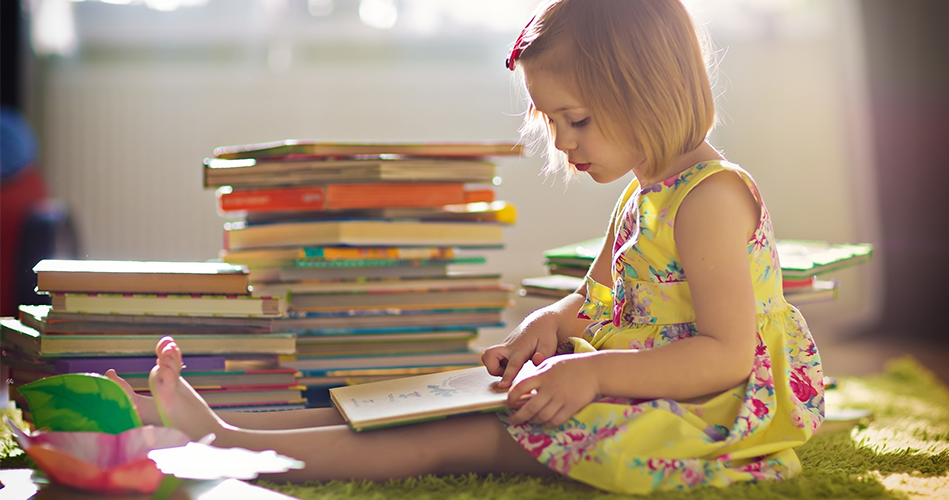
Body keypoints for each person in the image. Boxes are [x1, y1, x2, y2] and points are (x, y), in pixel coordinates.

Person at [107, 0, 824, 493]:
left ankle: (233, 450)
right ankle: (231, 424)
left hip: (700, 413)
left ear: (651, 92)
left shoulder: (710, 198)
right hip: (634, 377)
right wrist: (547, 326)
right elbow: (600, 299)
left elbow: (725, 354)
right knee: (426, 399)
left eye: (575, 119)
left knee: (460, 437)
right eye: (551, 122)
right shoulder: (644, 193)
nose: (563, 143)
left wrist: (595, 375)